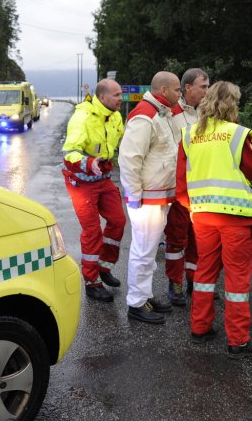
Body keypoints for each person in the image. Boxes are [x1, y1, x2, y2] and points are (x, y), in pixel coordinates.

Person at [177, 81, 252, 358]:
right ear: (233, 104)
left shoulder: (189, 134)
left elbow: (181, 183)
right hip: (236, 218)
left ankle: (200, 327)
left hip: (203, 216)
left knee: (205, 272)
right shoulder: (238, 134)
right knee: (237, 280)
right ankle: (238, 340)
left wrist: (194, 209)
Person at [119, 71, 181, 324]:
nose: (180, 94)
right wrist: (134, 196)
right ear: (164, 91)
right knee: (144, 251)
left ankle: (144, 295)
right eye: (177, 89)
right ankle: (136, 303)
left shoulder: (162, 114)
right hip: (147, 198)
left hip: (157, 195)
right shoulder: (146, 115)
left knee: (148, 249)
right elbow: (130, 158)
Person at [61, 78, 126, 302]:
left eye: (121, 94)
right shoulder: (82, 118)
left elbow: (123, 141)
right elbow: (69, 152)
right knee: (92, 231)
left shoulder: (116, 116)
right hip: (81, 182)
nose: (121, 98)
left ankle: (104, 267)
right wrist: (89, 163)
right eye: (117, 95)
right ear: (103, 97)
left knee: (118, 221)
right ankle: (91, 282)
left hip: (103, 177)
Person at [164, 67, 209, 305]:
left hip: (201, 187)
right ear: (188, 87)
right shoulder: (171, 114)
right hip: (179, 187)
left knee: (199, 238)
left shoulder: (207, 115)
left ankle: (194, 279)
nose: (206, 91)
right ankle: (175, 281)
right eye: (203, 86)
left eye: (208, 86)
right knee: (176, 238)